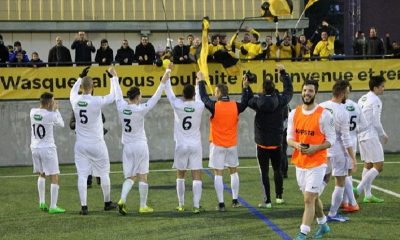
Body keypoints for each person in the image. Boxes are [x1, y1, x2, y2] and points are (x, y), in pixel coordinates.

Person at [115, 66, 167, 215]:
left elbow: (118, 94)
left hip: (127, 147)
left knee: (130, 177)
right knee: (143, 175)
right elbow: (155, 98)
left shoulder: (121, 107)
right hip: (140, 146)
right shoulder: (140, 109)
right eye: (140, 96)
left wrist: (114, 77)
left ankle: (122, 199)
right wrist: (163, 81)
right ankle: (142, 206)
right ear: (137, 98)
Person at [287, 80, 335, 240]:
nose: (307, 93)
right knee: (313, 198)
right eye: (305, 90)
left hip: (318, 162)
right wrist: (296, 145)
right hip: (300, 162)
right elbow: (289, 138)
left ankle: (303, 233)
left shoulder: (324, 114)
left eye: (311, 91)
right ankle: (323, 224)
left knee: (308, 198)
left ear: (316, 93)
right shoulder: (294, 113)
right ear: (301, 92)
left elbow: (331, 139)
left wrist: (315, 148)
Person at [199, 71, 251, 211]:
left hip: (217, 144)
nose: (214, 93)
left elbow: (204, 98)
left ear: (219, 93)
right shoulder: (235, 106)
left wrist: (201, 82)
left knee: (218, 173)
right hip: (232, 144)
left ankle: (221, 204)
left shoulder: (215, 106)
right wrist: (245, 87)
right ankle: (235, 201)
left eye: (216, 91)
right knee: (233, 171)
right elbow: (246, 102)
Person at [70, 66, 118, 215]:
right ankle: (107, 202)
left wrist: (79, 77)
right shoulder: (97, 100)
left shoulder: (75, 99)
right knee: (104, 173)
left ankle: (84, 207)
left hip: (81, 145)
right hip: (97, 144)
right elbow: (113, 96)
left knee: (82, 175)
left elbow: (72, 91)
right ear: (93, 87)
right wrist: (113, 78)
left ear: (82, 87)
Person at [247, 64, 293, 209]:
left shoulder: (258, 101)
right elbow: (289, 90)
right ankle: (279, 196)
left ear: (263, 89)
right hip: (276, 142)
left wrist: (246, 86)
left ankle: (267, 201)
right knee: (277, 170)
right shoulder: (279, 101)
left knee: (264, 172)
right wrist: (283, 73)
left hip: (262, 143)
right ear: (274, 88)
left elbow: (247, 99)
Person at [164, 66, 205, 213]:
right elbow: (200, 95)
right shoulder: (199, 106)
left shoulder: (178, 105)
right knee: (196, 174)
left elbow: (168, 91)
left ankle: (181, 205)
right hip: (195, 145)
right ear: (193, 94)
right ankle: (196, 206)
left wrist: (168, 71)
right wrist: (198, 81)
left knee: (181, 174)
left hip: (181, 145)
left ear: (183, 94)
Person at [319, 80, 356, 222]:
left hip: (323, 149)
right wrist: (353, 158)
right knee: (340, 182)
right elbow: (346, 138)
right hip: (338, 151)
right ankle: (333, 214)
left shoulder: (321, 107)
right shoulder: (343, 111)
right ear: (342, 93)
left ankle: (310, 203)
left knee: (322, 178)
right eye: (347, 92)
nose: (348, 95)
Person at [353, 76, 388, 203]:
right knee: (379, 166)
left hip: (361, 135)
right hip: (370, 135)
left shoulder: (362, 98)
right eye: (382, 86)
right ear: (375, 88)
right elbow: (376, 121)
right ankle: (358, 189)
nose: (384, 88)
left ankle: (367, 195)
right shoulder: (376, 100)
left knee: (368, 164)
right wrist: (383, 134)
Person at [30, 92, 65, 214]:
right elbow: (61, 124)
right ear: (50, 103)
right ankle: (53, 206)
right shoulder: (51, 115)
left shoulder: (32, 112)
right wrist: (56, 110)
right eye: (53, 102)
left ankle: (41, 201)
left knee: (41, 174)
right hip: (48, 149)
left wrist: (52, 110)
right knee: (54, 176)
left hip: (35, 148)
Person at [341, 96, 368, 212]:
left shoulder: (338, 106)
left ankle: (351, 202)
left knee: (344, 172)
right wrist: (355, 131)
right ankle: (345, 201)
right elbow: (365, 125)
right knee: (348, 172)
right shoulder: (356, 106)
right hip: (353, 140)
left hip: (342, 141)